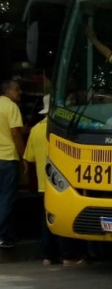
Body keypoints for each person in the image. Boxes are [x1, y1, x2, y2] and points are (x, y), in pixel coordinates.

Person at [23, 94, 83, 266]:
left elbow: (30, 157)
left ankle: (48, 256)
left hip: (44, 183)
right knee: (63, 217)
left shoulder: (35, 130)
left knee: (47, 220)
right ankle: (68, 255)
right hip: (62, 182)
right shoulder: (62, 128)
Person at [0, 79, 25, 248]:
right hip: (8, 158)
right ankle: (3, 236)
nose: (20, 92)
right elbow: (15, 132)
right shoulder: (11, 107)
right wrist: (23, 156)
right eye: (17, 89)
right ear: (8, 91)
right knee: (7, 198)